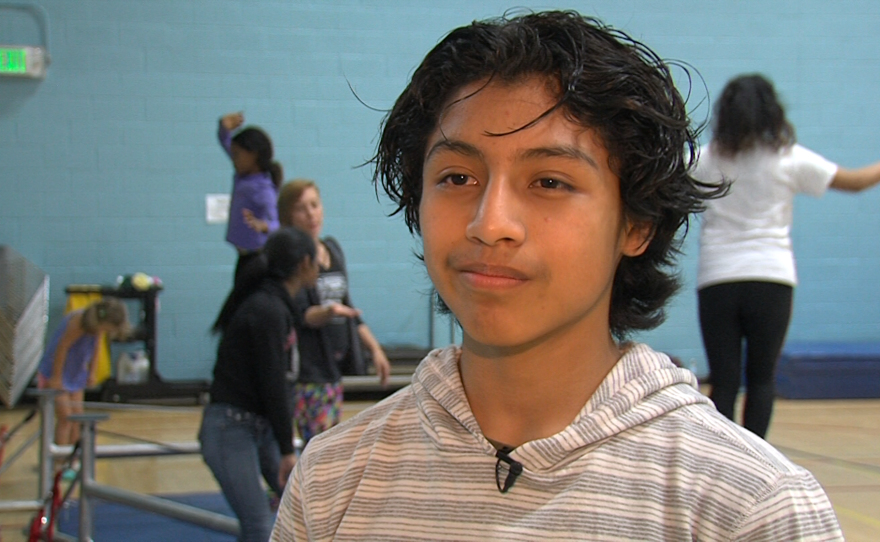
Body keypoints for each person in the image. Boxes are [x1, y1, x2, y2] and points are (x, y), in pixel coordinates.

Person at [271, 11, 844, 541]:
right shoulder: (331, 482)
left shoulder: (752, 509)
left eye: (549, 182)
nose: (490, 223)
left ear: (636, 223)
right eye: (456, 177)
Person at [694, 73, 880, 439]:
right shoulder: (788, 158)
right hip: (772, 277)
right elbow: (855, 182)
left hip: (718, 278)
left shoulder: (705, 158)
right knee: (762, 379)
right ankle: (757, 459)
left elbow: (657, 180)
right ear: (771, 112)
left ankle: (719, 458)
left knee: (726, 381)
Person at [199, 227, 318, 542]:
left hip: (258, 426)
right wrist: (285, 448)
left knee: (303, 511)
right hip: (231, 427)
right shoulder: (266, 310)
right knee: (258, 524)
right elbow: (273, 381)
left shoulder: (278, 306)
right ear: (306, 263)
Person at [276, 179, 391, 446]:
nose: (311, 214)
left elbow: (350, 307)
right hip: (308, 369)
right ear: (288, 216)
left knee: (331, 441)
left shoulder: (332, 249)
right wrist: (328, 311)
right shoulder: (292, 258)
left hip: (333, 369)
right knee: (320, 445)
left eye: (314, 205)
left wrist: (375, 349)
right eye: (301, 209)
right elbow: (302, 315)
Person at [37, 299, 129, 449]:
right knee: (65, 418)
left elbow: (96, 348)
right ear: (105, 321)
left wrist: (92, 373)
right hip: (56, 371)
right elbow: (62, 348)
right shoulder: (78, 322)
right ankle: (58, 462)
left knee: (78, 419)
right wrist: (56, 378)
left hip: (75, 373)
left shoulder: (98, 327)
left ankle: (74, 462)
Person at [217, 111, 283, 280]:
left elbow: (278, 223)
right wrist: (223, 127)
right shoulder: (242, 175)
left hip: (257, 259)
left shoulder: (263, 189)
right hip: (244, 257)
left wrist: (264, 226)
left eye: (237, 155)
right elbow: (226, 142)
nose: (233, 159)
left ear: (253, 155)